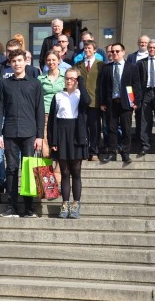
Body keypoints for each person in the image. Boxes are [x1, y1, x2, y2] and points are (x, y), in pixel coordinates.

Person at [0, 49, 45, 218]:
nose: (17, 63)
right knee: (11, 170)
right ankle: (11, 206)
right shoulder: (4, 84)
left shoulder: (35, 83)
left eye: (19, 60)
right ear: (10, 63)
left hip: (29, 133)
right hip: (9, 132)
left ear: (25, 62)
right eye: (14, 61)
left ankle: (29, 207)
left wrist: (40, 136)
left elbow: (40, 110)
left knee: (29, 170)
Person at [48, 68, 90, 219]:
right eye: (67, 78)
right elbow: (52, 120)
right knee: (64, 172)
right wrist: (53, 140)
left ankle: (76, 204)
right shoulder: (58, 96)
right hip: (62, 133)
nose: (69, 81)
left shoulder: (80, 95)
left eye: (73, 78)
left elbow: (88, 101)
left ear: (77, 80)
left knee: (76, 172)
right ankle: (65, 204)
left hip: (77, 134)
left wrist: (81, 82)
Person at [99, 43, 142, 163]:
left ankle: (125, 152)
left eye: (117, 51)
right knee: (111, 128)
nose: (115, 54)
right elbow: (102, 86)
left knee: (126, 129)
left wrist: (136, 101)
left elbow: (136, 86)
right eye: (112, 52)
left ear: (123, 52)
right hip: (111, 103)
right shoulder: (107, 68)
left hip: (126, 103)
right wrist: (102, 102)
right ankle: (113, 152)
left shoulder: (132, 67)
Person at [75, 41, 104, 161]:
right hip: (81, 101)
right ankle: (84, 151)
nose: (87, 50)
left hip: (95, 101)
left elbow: (103, 84)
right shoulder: (78, 64)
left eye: (89, 48)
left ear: (95, 50)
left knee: (95, 128)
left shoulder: (101, 64)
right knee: (83, 127)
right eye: (85, 48)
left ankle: (94, 151)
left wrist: (102, 101)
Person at [38, 52, 65, 160]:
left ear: (59, 61)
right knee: (45, 141)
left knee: (60, 142)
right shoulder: (40, 78)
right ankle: (46, 172)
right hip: (45, 112)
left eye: (54, 59)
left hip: (61, 113)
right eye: (48, 60)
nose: (51, 62)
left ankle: (58, 173)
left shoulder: (65, 76)